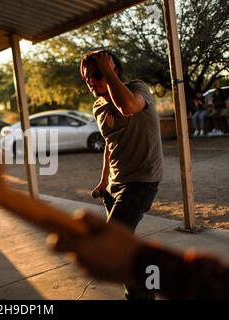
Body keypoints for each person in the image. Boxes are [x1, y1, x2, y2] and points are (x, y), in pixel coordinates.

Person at [79, 50, 163, 300]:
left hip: (141, 181)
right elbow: (110, 143)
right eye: (87, 78)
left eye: (97, 74)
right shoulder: (98, 106)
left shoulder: (138, 89)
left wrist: (107, 71)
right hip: (115, 186)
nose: (92, 81)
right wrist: (104, 181)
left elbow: (127, 107)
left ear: (114, 71)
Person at [48, 211, 229, 299]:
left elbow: (211, 286)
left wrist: (136, 258)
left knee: (114, 229)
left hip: (139, 181)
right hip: (117, 181)